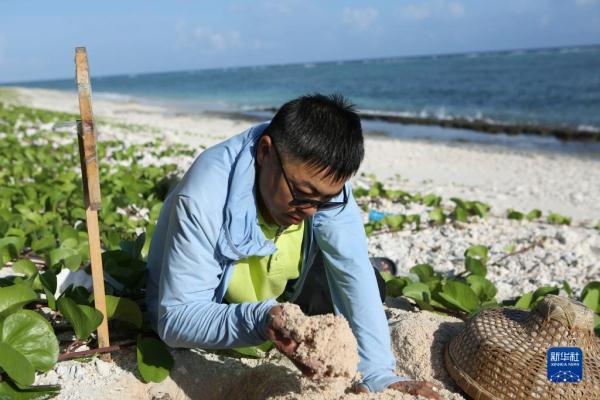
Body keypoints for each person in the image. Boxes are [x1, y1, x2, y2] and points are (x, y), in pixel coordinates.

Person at [145, 93, 442, 399]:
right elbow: (175, 319)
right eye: (301, 195)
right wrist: (261, 319)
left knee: (372, 282)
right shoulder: (202, 198)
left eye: (323, 201)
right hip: (221, 302)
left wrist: (378, 373)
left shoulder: (320, 181)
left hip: (284, 285)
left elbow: (351, 267)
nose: (311, 211)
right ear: (264, 152)